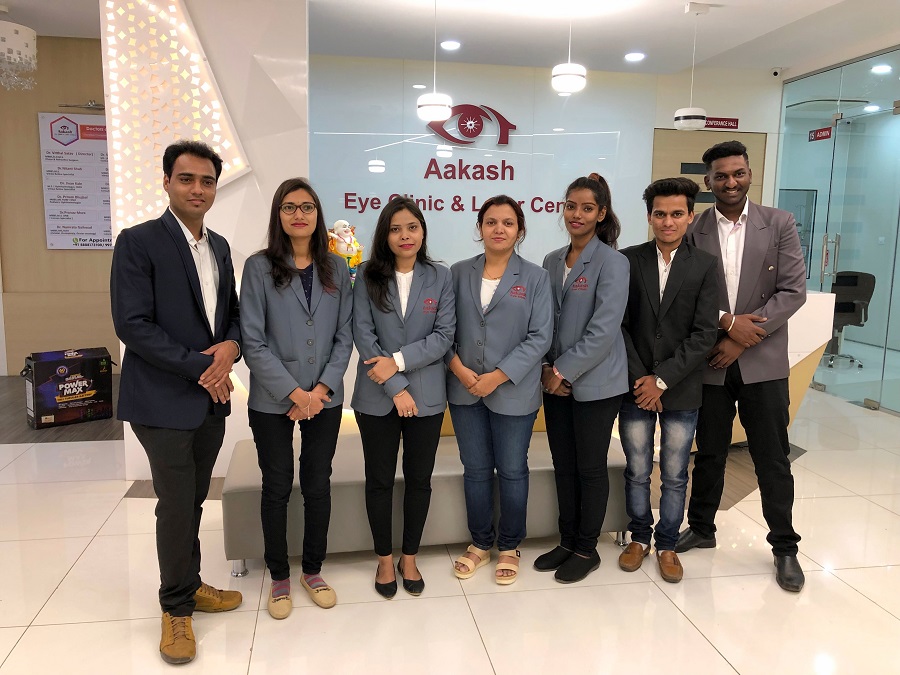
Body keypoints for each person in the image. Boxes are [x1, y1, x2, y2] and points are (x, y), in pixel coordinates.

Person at [111, 140, 242, 665]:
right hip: (162, 400)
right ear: (166, 182)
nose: (197, 189)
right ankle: (175, 609)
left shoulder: (221, 246)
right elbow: (133, 324)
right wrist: (203, 368)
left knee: (193, 500)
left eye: (207, 181)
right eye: (186, 179)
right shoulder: (138, 241)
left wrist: (231, 348)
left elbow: (231, 315)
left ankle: (191, 584)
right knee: (175, 502)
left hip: (209, 400)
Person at [676, 140, 808, 593]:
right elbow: (687, 292)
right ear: (708, 181)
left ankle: (785, 547)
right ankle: (702, 527)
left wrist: (743, 338)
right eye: (721, 176)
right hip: (711, 359)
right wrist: (727, 326)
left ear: (749, 173)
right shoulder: (694, 228)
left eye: (738, 173)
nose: (730, 182)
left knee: (771, 457)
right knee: (709, 452)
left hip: (763, 362)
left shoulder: (779, 223)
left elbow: (792, 291)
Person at [240, 178, 352, 619]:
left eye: (307, 207)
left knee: (317, 483)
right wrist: (293, 392)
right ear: (278, 215)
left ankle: (312, 570)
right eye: (289, 207)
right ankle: (279, 576)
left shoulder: (337, 267)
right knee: (277, 484)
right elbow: (252, 340)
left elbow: (344, 335)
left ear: (318, 215)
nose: (299, 214)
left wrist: (319, 391)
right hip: (273, 398)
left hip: (324, 398)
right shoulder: (258, 267)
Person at [351, 196, 456, 599]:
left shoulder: (440, 276)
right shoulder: (367, 275)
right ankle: (383, 559)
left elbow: (443, 336)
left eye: (412, 227)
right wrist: (395, 387)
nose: (405, 235)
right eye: (395, 229)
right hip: (376, 396)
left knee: (419, 480)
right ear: (385, 235)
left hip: (426, 396)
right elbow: (363, 334)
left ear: (423, 231)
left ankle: (409, 557)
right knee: (378, 480)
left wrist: (395, 363)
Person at [617, 177, 719, 583]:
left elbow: (705, 333)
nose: (668, 221)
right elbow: (619, 326)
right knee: (637, 468)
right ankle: (639, 537)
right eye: (660, 214)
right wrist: (643, 379)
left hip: (681, 387)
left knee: (675, 473)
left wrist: (661, 380)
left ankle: (668, 544)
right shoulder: (628, 260)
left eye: (677, 213)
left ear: (690, 216)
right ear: (649, 217)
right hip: (634, 386)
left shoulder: (704, 264)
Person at [448, 195, 553, 585]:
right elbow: (443, 329)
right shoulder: (458, 272)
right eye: (491, 222)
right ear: (480, 228)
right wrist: (458, 369)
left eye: (508, 223)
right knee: (475, 470)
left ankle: (509, 545)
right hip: (464, 388)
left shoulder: (535, 277)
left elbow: (540, 337)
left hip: (513, 390)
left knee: (511, 470)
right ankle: (479, 543)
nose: (499, 229)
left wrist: (497, 376)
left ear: (520, 230)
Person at [534, 173, 630, 583]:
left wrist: (561, 371)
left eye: (587, 208)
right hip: (555, 382)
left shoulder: (613, 262)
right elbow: (542, 322)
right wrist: (546, 369)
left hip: (597, 383)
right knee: (563, 465)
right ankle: (567, 540)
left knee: (590, 468)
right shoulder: (552, 260)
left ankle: (587, 549)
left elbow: (603, 331)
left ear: (601, 213)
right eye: (571, 206)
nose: (577, 214)